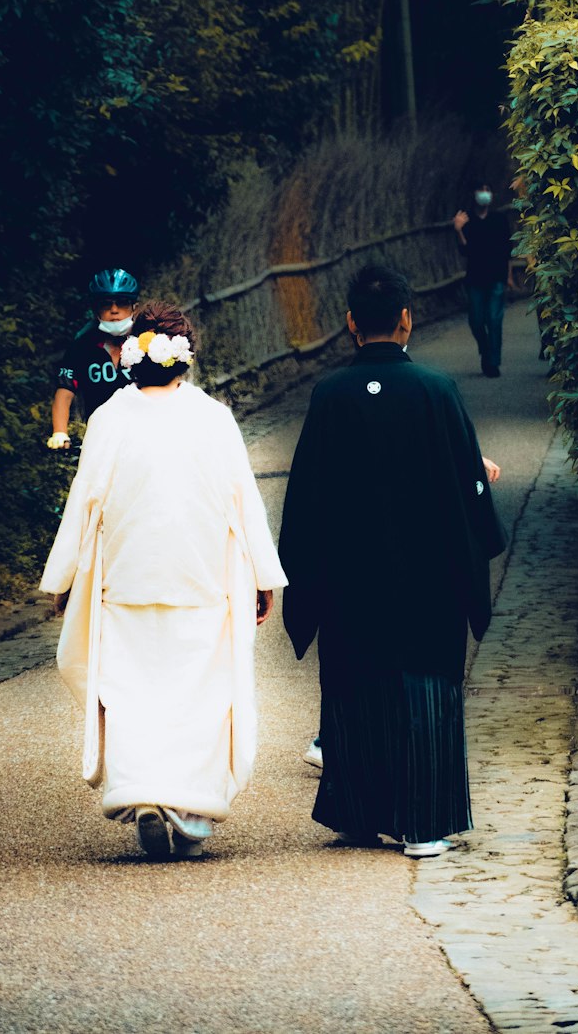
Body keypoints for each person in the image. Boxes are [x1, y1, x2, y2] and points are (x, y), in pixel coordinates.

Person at [40, 299, 287, 859]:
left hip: (125, 578)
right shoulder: (213, 418)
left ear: (131, 356)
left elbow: (86, 503)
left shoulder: (108, 419)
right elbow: (243, 501)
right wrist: (261, 575)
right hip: (202, 579)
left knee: (129, 690)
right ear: (185, 360)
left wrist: (65, 578)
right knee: (198, 692)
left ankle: (140, 793)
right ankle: (187, 810)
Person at [278, 264, 504, 858]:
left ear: (351, 324)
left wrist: (299, 573)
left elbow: (305, 495)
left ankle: (358, 814)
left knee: (355, 687)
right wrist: (477, 489)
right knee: (425, 687)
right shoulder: (436, 390)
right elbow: (465, 481)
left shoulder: (329, 396)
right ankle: (424, 824)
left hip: (352, 579)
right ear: (407, 319)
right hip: (427, 577)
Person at [47, 267, 140, 450]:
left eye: (122, 303)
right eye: (106, 304)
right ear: (96, 309)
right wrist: (60, 432)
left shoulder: (147, 342)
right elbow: (64, 392)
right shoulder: (81, 346)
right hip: (100, 440)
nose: (114, 310)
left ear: (133, 308)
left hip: (142, 436)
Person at [453, 184, 516, 378]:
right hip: (475, 278)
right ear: (474, 194)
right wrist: (458, 230)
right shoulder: (467, 220)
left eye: (488, 190)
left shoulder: (499, 219)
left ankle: (492, 362)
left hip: (497, 276)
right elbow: (465, 251)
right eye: (481, 189)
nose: (485, 193)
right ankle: (485, 349)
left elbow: (507, 251)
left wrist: (509, 276)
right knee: (476, 320)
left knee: (494, 319)